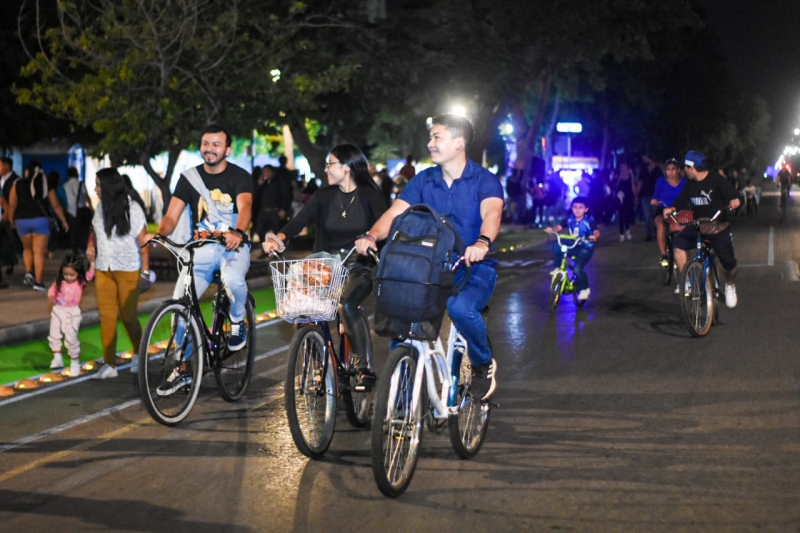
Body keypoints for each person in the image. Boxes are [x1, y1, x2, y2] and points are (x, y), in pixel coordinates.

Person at [355, 114, 504, 401]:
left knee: (460, 309)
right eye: (431, 137)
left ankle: (483, 363)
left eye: (437, 137)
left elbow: (492, 214)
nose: (430, 143)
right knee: (401, 320)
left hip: (472, 267)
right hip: (429, 270)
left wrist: (482, 242)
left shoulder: (483, 180)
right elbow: (395, 213)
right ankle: (402, 396)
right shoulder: (424, 180)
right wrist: (372, 236)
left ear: (459, 143)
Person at [263, 144, 387, 390]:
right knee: (303, 306)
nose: (326, 169)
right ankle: (321, 366)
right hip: (324, 266)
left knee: (346, 303)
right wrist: (279, 238)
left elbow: (384, 230)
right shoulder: (323, 196)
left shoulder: (370, 196)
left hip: (357, 266)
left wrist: (371, 240)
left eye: (331, 164)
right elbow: (298, 222)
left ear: (347, 167)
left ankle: (363, 368)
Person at [152, 123, 253, 394]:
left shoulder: (240, 176)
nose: (210, 149)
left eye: (216, 144)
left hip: (233, 245)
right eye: (206, 144)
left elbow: (245, 209)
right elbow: (171, 216)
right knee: (179, 304)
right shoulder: (189, 178)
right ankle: (182, 369)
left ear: (227, 150)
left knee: (233, 280)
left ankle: (237, 320)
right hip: (202, 248)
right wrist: (159, 235)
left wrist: (239, 232)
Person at [86, 167, 150, 379]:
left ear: (108, 186)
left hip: (128, 270)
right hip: (104, 269)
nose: (95, 189)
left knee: (129, 316)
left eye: (98, 185)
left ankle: (140, 354)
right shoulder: (99, 209)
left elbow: (144, 243)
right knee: (106, 317)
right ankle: (110, 364)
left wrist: (146, 272)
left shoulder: (133, 210)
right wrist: (91, 246)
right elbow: (94, 231)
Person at [662, 150, 740, 306]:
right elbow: (682, 200)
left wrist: (735, 200)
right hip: (698, 225)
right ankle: (688, 280)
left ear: (691, 168)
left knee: (729, 264)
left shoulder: (717, 180)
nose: (683, 171)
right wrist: (672, 208)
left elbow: (734, 195)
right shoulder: (690, 184)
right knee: (677, 244)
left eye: (685, 167)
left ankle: (730, 285)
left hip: (718, 227)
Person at [8, 160, 69, 291]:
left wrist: (11, 220)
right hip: (40, 221)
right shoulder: (46, 184)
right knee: (39, 253)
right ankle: (38, 282)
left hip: (21, 221)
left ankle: (29, 272)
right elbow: (56, 205)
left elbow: (12, 205)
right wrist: (64, 220)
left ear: (27, 171)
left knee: (27, 249)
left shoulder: (17, 184)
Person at [47, 252, 95, 377]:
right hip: (58, 310)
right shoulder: (59, 281)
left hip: (72, 312)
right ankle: (57, 357)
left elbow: (91, 274)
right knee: (54, 334)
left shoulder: (81, 282)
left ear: (78, 273)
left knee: (71, 338)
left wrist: (93, 262)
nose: (68, 277)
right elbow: (52, 289)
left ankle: (75, 363)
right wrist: (51, 296)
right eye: (65, 274)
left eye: (72, 275)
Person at [545, 196, 600, 302]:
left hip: (585, 248)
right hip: (573, 245)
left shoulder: (589, 220)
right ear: (572, 208)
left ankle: (585, 288)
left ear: (586, 209)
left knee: (577, 269)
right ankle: (557, 268)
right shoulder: (569, 218)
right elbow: (560, 227)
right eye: (575, 207)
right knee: (557, 244)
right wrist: (552, 229)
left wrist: (594, 236)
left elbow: (596, 232)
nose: (577, 210)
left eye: (580, 207)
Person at [650, 158, 686, 265]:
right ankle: (664, 255)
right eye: (668, 169)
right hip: (663, 209)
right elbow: (655, 196)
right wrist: (654, 201)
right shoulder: (660, 181)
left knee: (683, 228)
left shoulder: (684, 182)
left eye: (673, 169)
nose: (670, 172)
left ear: (678, 170)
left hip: (678, 210)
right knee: (660, 224)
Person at [254, 164, 293, 250]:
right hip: (264, 210)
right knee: (260, 230)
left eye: (267, 171)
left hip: (276, 210)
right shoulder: (263, 184)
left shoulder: (279, 182)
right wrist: (259, 184)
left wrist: (284, 209)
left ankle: (279, 249)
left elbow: (286, 196)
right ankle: (265, 248)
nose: (266, 174)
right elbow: (255, 196)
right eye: (264, 172)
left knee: (277, 231)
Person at [0, 157, 21, 287]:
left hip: (7, 218)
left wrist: (9, 214)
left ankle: (11, 264)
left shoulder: (15, 180)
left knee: (9, 243)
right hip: (3, 218)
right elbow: (2, 200)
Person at [62, 167, 93, 254]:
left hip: (70, 212)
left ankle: (75, 251)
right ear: (77, 174)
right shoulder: (81, 184)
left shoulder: (65, 185)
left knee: (73, 232)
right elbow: (87, 197)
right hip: (81, 210)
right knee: (83, 231)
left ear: (68, 175)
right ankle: (83, 249)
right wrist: (91, 209)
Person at [638, 155, 662, 242]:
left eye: (646, 159)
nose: (645, 161)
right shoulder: (643, 170)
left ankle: (657, 233)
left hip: (655, 196)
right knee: (647, 216)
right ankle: (649, 234)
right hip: (644, 195)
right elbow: (640, 182)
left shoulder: (658, 170)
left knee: (655, 215)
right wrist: (637, 194)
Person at [613, 161, 635, 242]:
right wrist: (619, 177)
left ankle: (627, 230)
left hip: (628, 197)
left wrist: (635, 195)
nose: (623, 168)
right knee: (621, 215)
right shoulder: (619, 176)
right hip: (620, 197)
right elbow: (616, 186)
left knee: (627, 215)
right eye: (621, 167)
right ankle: (622, 234)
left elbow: (632, 185)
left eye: (624, 166)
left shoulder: (630, 175)